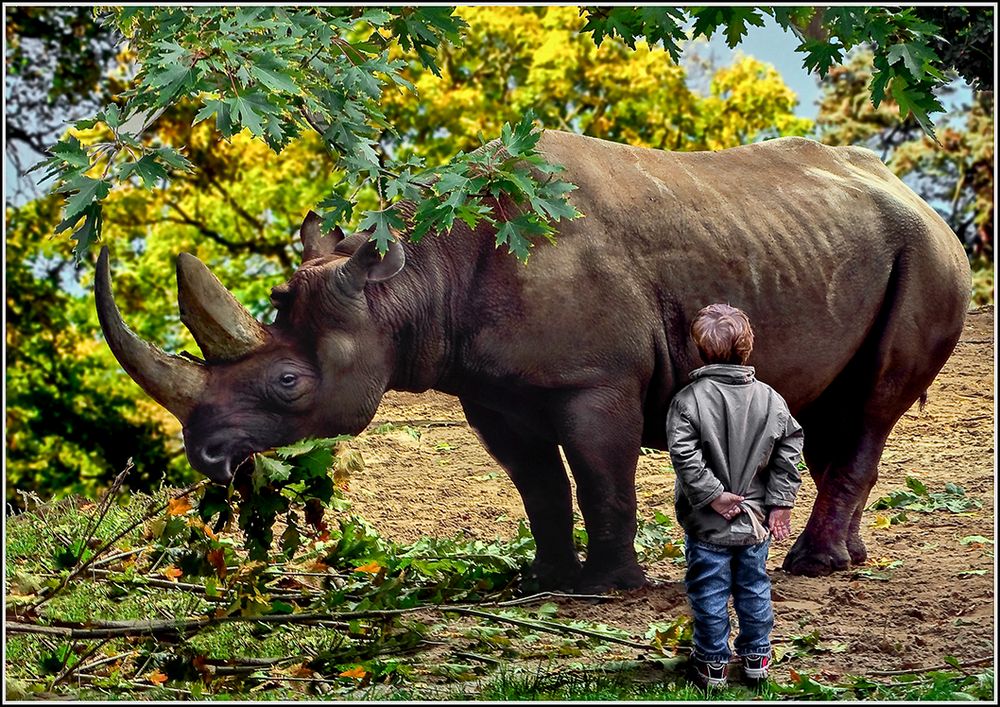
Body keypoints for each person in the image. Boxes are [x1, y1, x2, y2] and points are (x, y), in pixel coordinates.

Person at [665, 303, 804, 689]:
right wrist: (781, 502)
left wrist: (712, 496)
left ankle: (712, 664)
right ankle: (757, 658)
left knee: (709, 590)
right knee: (754, 587)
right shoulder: (772, 400)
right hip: (756, 520)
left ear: (701, 351)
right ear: (748, 348)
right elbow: (790, 448)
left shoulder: (687, 401)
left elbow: (684, 454)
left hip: (708, 523)